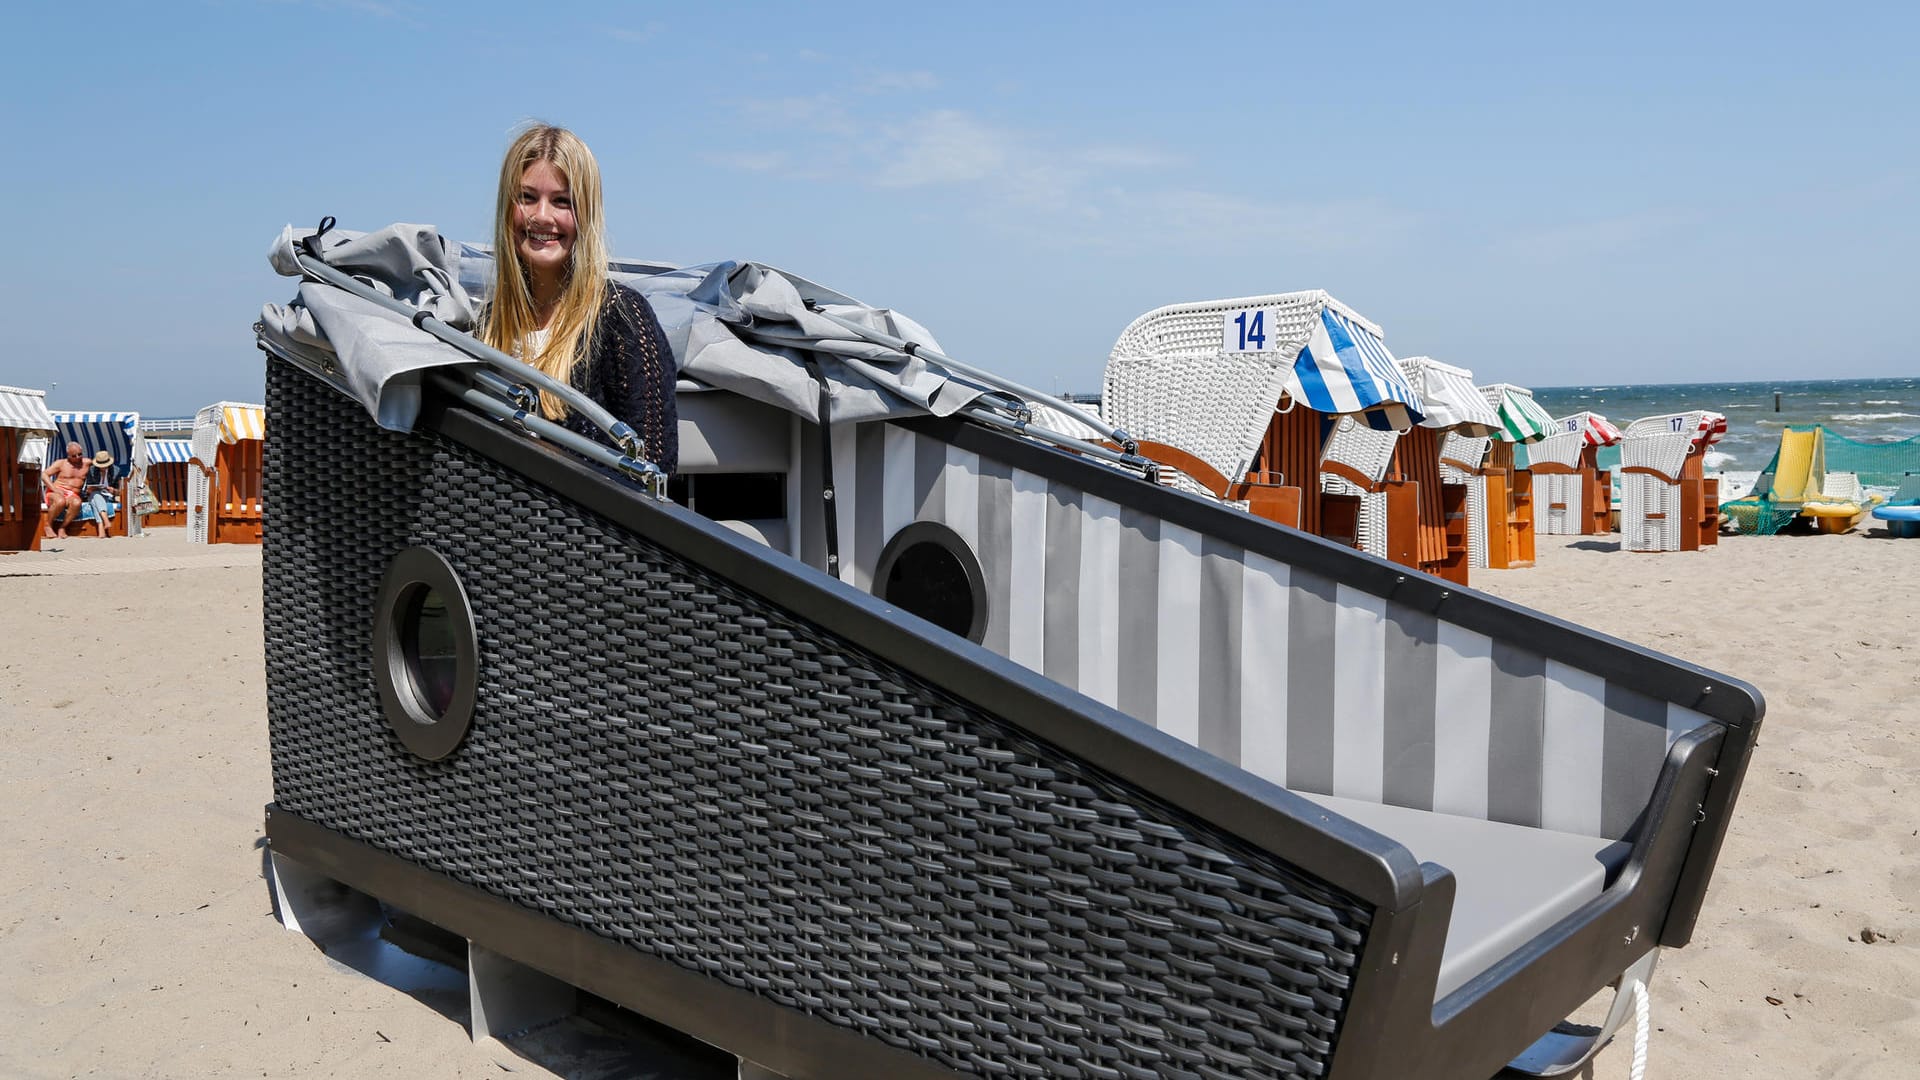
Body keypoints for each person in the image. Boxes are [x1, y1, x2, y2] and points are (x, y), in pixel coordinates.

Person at [478, 124, 677, 476]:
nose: (542, 216)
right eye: (526, 197)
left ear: (586, 212)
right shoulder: (487, 323)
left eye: (561, 201)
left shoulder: (622, 316)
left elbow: (654, 470)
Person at [42, 443, 89, 539]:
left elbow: (102, 463)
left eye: (80, 454)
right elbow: (44, 474)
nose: (77, 457)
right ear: (68, 455)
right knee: (60, 501)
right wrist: (54, 489)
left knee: (77, 502)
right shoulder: (61, 463)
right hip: (57, 491)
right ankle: (48, 525)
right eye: (74, 456)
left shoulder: (87, 463)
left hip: (73, 494)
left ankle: (62, 527)